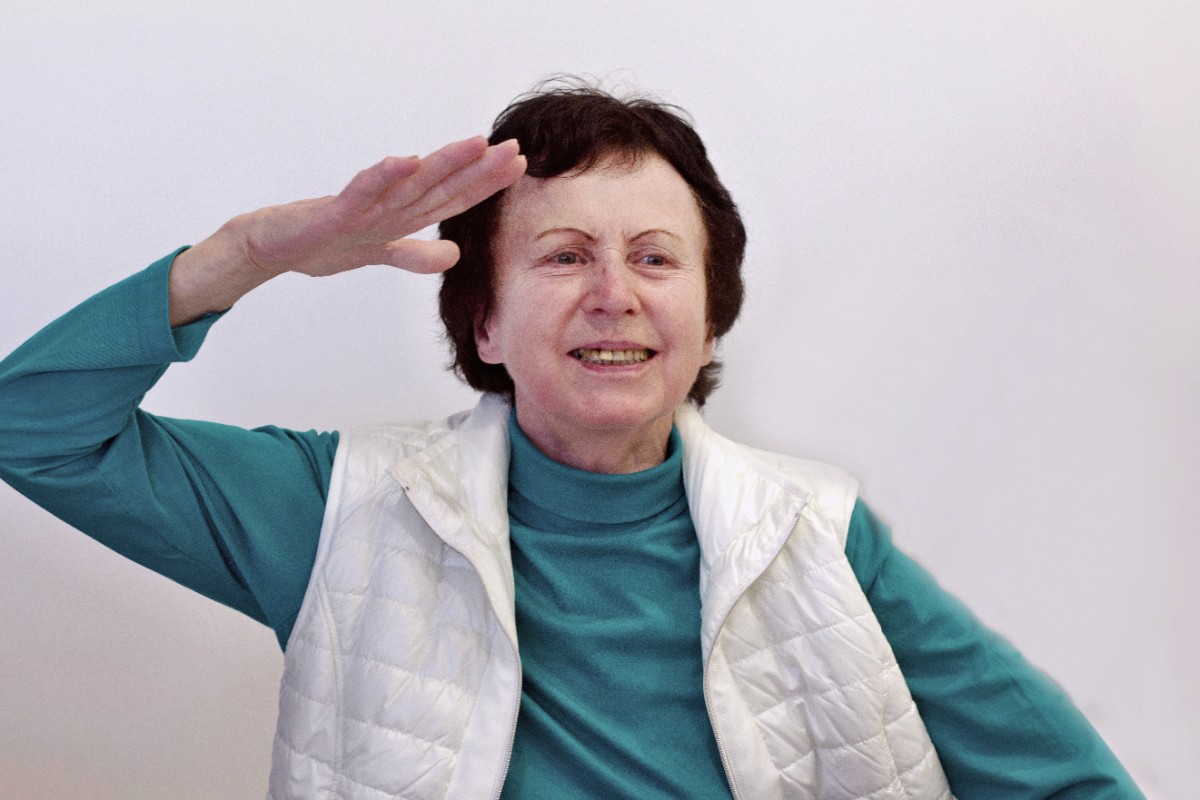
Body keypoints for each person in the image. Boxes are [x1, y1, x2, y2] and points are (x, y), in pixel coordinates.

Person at [0, 81, 1143, 799]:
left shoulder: (819, 533)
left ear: (708, 317)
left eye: (655, 257)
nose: (614, 293)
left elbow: (1071, 783)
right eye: (562, 256)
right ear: (485, 323)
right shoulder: (340, 505)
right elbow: (32, 426)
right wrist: (242, 256)